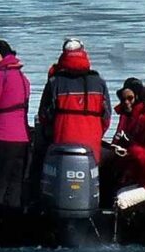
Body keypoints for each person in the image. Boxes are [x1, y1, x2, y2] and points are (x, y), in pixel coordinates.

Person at [36, 37, 110, 165]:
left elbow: (44, 116)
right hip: (91, 146)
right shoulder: (99, 82)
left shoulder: (55, 82)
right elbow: (106, 118)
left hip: (62, 144)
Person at [0, 39, 32, 210]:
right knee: (15, 185)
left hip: (1, 137)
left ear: (3, 55)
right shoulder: (23, 79)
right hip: (22, 139)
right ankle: (13, 223)